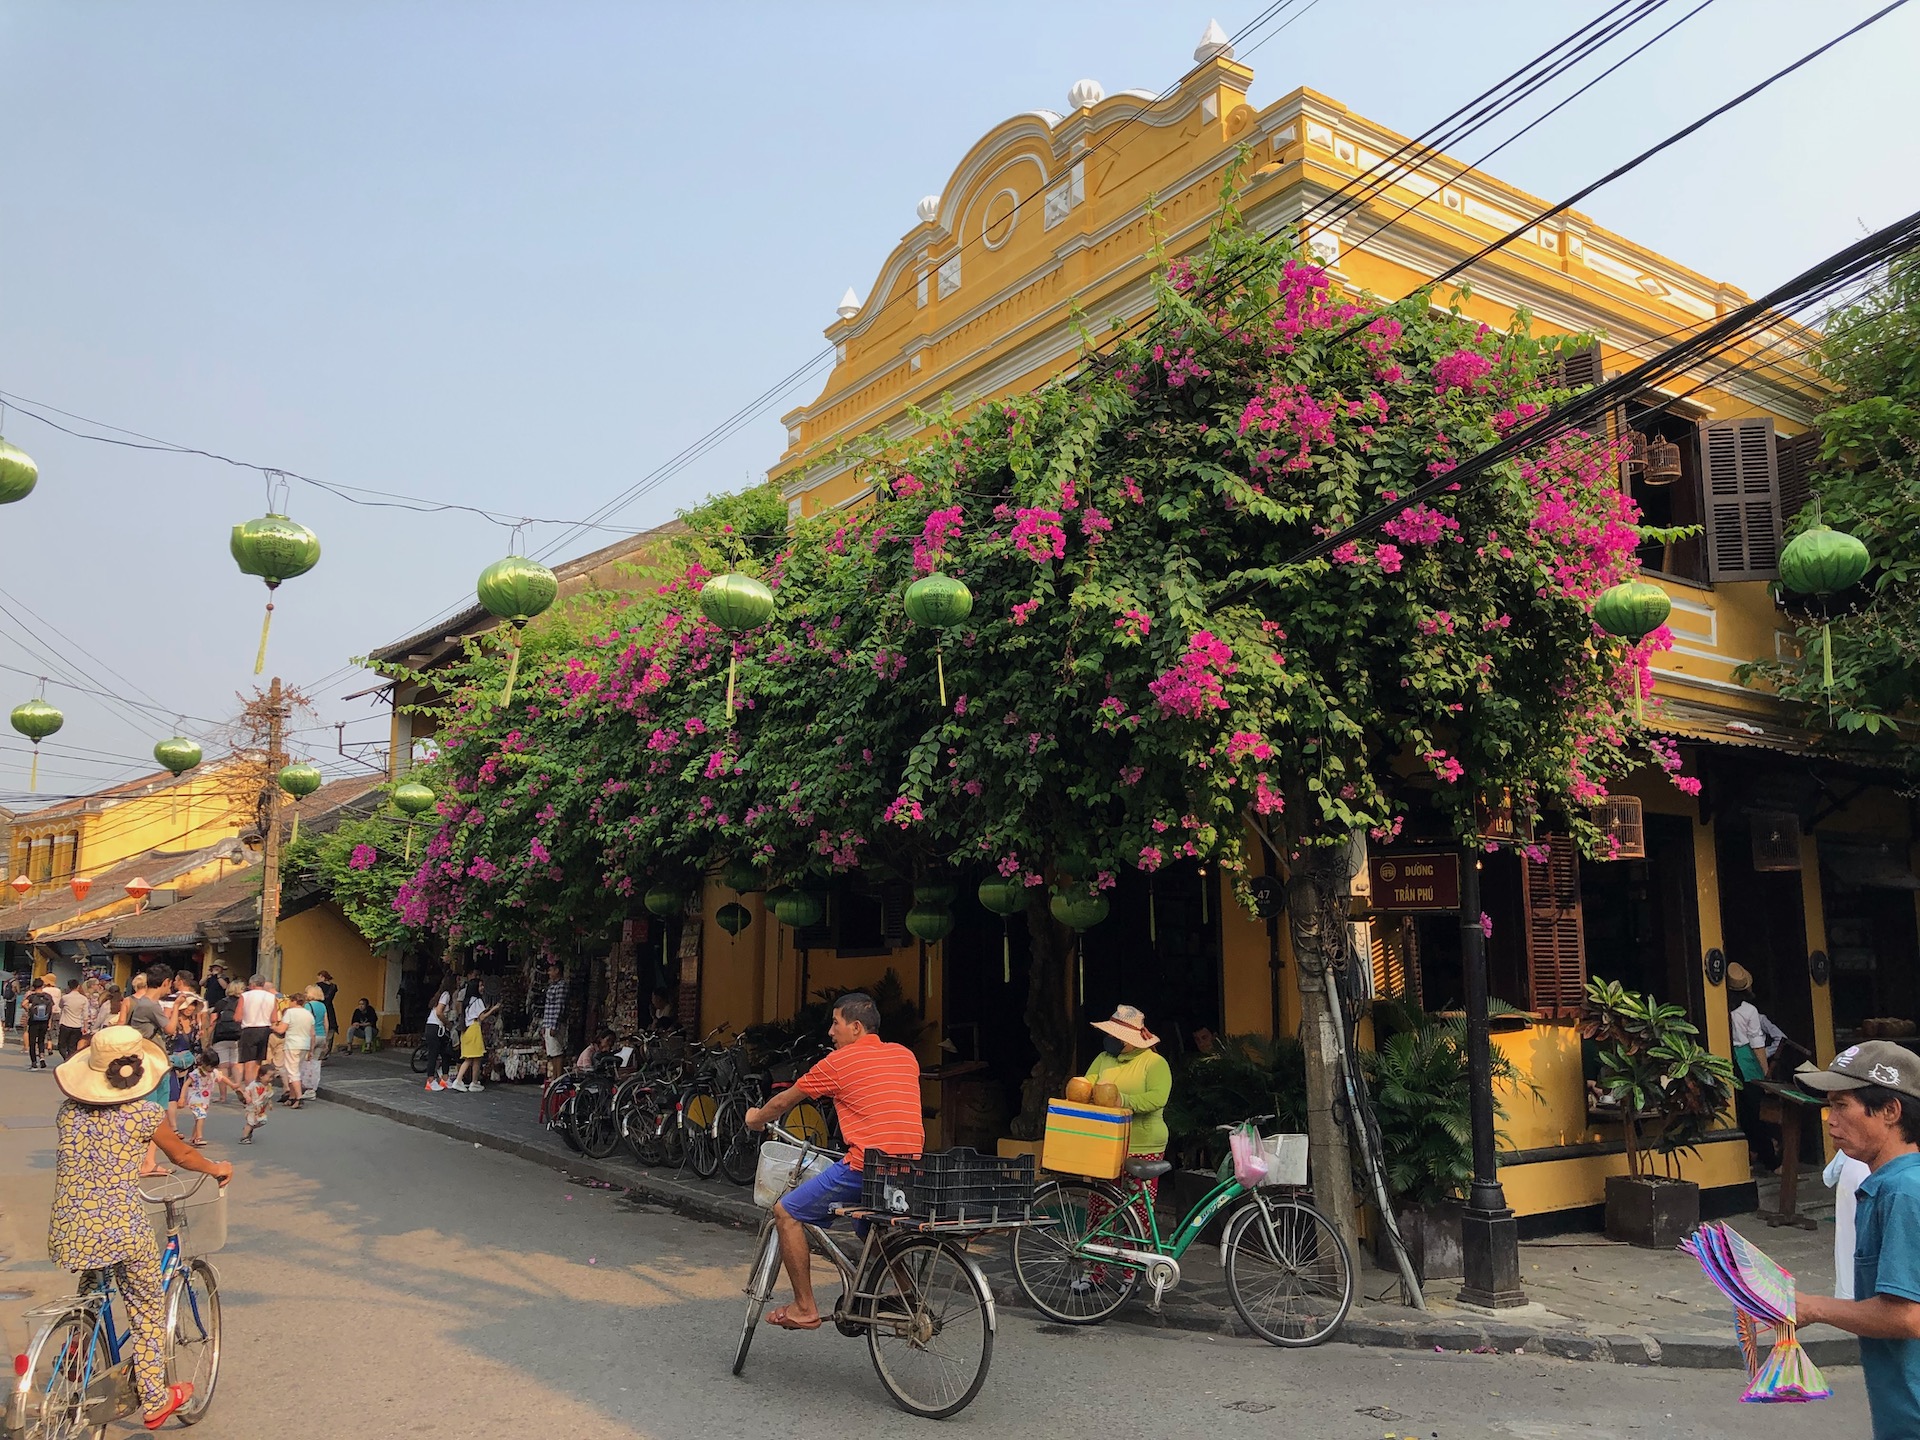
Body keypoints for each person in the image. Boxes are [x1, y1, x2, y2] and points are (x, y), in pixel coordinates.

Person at [49, 1024, 231, 1428]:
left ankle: (79, 1346)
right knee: (146, 1306)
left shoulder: (68, 1113)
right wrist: (216, 1168)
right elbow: (182, 1155)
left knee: (94, 1282)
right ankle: (154, 1398)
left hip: (69, 1225)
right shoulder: (144, 1114)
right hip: (121, 1227)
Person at [745, 991, 923, 1331]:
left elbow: (783, 1102)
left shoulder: (839, 1062)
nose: (830, 1031)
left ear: (856, 1027)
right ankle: (907, 1290)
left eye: (835, 1023)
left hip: (864, 1167)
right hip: (908, 1168)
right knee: (867, 1225)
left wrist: (755, 1118)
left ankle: (804, 1308)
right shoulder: (905, 1056)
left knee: (786, 1212)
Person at [1792, 1042, 1920, 1438]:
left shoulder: (1903, 1191)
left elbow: (1907, 1316)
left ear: (1890, 1111)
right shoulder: (1889, 1184)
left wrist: (1812, 1307)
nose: (1830, 1120)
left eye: (1842, 1105)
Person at [1727, 963, 1785, 1171]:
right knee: (1756, 1113)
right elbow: (1757, 1044)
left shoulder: (1722, 1007)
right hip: (1746, 1061)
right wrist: (1766, 1073)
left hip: (1727, 1060)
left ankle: (1750, 1155)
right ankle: (1771, 1161)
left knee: (1741, 1113)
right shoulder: (1749, 1011)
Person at [452, 979, 497, 1092]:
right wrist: (493, 1009)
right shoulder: (478, 1000)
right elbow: (482, 1017)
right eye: (480, 986)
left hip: (466, 1030)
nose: (482, 988)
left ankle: (473, 1082)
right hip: (474, 1029)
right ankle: (460, 1080)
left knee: (473, 1058)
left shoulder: (467, 1000)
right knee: (473, 1058)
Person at [274, 991, 315, 1107]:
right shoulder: (308, 1014)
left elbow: (281, 1029)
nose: (289, 1003)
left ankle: (298, 1097)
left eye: (290, 1001)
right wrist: (311, 1050)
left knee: (292, 1072)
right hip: (305, 1044)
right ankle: (291, 1097)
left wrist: (273, 1027)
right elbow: (312, 1034)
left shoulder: (290, 1012)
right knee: (295, 1071)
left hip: (292, 1044)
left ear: (294, 1001)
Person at [235, 973, 276, 1084]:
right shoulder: (272, 997)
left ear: (252, 984)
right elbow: (274, 1018)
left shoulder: (245, 996)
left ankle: (249, 1089)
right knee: (258, 1062)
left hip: (249, 1030)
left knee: (249, 1063)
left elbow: (237, 1017)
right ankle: (257, 1087)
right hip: (265, 1030)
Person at [423, 971, 455, 1093]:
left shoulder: (440, 994)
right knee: (434, 1054)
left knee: (445, 1053)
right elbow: (439, 1012)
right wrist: (447, 1023)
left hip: (435, 1027)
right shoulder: (446, 995)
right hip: (436, 1027)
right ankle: (430, 1080)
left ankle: (445, 1078)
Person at [181, 1052, 221, 1147]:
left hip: (204, 1100)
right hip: (195, 1098)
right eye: (211, 1067)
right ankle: (199, 1137)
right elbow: (186, 1084)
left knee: (198, 1118)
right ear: (205, 1064)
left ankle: (193, 1138)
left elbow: (222, 1078)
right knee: (201, 1116)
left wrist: (233, 1085)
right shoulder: (197, 1073)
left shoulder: (213, 1072)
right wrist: (182, 1097)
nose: (212, 1069)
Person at [210, 981, 243, 1090]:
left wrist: (208, 1038)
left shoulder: (221, 1003)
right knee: (236, 1064)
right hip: (237, 1036)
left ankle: (223, 1095)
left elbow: (212, 1021)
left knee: (222, 1067)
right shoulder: (242, 1003)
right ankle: (238, 1087)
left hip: (220, 1037)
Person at [540, 962, 569, 1080]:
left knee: (557, 1052)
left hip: (555, 1023)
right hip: (548, 1022)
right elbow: (548, 1007)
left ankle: (558, 1078)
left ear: (557, 970)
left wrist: (554, 1025)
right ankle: (554, 1077)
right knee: (552, 1052)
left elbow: (559, 1006)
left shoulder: (562, 986)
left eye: (550, 970)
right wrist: (544, 1025)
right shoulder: (552, 986)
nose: (549, 973)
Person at [300, 985, 328, 1097]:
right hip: (321, 1035)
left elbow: (306, 1022)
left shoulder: (308, 1006)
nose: (305, 994)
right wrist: (325, 1037)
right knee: (316, 1063)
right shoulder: (323, 1006)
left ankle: (306, 1086)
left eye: (306, 992)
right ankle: (313, 1088)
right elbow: (326, 1023)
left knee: (306, 1062)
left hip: (311, 1036)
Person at [23, 976, 56, 1070]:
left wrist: (29, 1010)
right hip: (44, 1021)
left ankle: (34, 1063)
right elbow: (51, 1009)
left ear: (34, 986)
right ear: (42, 986)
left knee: (32, 1042)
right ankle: (42, 1057)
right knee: (41, 1040)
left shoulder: (32, 996)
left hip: (33, 1021)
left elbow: (23, 1004)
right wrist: (49, 1022)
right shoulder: (48, 996)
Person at [56, 978, 88, 1060]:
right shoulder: (84, 999)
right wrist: (85, 1026)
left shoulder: (65, 998)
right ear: (78, 986)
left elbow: (60, 1006)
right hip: (77, 1025)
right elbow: (85, 1014)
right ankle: (70, 1059)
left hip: (65, 1024)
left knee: (61, 1045)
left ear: (69, 987)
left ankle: (66, 1058)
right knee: (72, 1046)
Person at [313, 970, 340, 1054]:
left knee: (319, 1025)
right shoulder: (334, 987)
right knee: (330, 1029)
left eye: (319, 977)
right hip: (330, 1008)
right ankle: (326, 1052)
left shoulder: (318, 986)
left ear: (322, 977)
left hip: (320, 1007)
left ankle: (319, 1052)